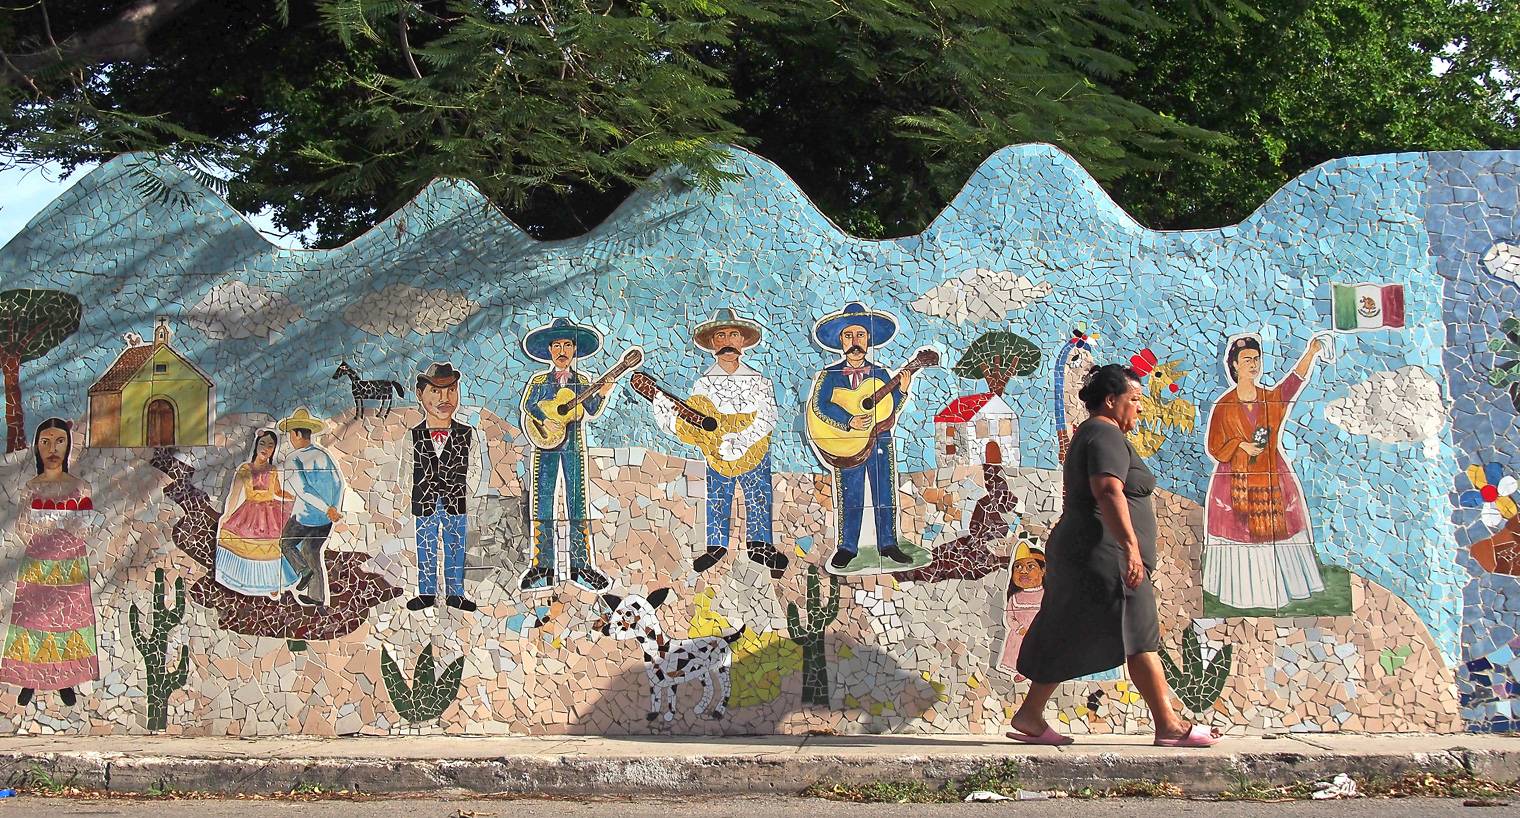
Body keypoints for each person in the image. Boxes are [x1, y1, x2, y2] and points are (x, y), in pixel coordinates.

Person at [1010, 365, 1221, 747]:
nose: (1140, 408)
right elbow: (1108, 491)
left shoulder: (1093, 434)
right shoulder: (1104, 433)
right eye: (1135, 400)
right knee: (1139, 633)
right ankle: (1169, 725)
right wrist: (1130, 548)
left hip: (1087, 550)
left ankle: (1030, 714)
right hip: (1106, 554)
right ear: (1111, 401)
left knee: (1068, 627)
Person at [649, 308, 788, 576]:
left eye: (733, 335)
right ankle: (716, 545)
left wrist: (743, 440)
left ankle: (760, 544)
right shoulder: (703, 385)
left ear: (742, 341)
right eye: (721, 335)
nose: (727, 341)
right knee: (716, 495)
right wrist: (665, 413)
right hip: (717, 453)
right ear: (713, 343)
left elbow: (768, 416)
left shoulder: (759, 381)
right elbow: (695, 425)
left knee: (758, 493)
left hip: (753, 450)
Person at [1202, 334, 1327, 610]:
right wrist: (1241, 446)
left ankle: (1278, 590)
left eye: (1257, 359)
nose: (1253, 364)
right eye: (1247, 359)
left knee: (1277, 535)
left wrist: (1312, 351)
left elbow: (1292, 385)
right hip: (1236, 482)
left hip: (1270, 476)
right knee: (1239, 535)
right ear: (1234, 365)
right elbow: (1214, 446)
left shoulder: (1270, 401)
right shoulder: (1224, 406)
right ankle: (1243, 593)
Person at [806, 302, 916, 573]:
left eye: (860, 335)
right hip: (846, 442)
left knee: (884, 490)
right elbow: (819, 407)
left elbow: (888, 411)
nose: (855, 342)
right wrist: (848, 420)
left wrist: (901, 392)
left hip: (879, 440)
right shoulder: (829, 375)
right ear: (840, 341)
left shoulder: (880, 374)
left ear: (869, 339)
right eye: (848, 336)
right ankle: (847, 547)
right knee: (850, 493)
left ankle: (888, 544)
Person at [1, 418, 101, 707]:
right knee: (33, 623)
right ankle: (31, 680)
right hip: (37, 565)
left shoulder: (79, 487)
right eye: (45, 441)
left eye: (59, 441)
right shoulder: (31, 487)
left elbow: (86, 525)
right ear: (36, 447)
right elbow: (22, 526)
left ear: (68, 446)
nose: (52, 448)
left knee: (68, 622)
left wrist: (62, 526)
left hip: (69, 566)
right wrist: (45, 525)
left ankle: (65, 680)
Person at [519, 318, 613, 593]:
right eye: (557, 345)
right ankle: (542, 567)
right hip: (545, 445)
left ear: (575, 350)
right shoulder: (539, 381)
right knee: (543, 501)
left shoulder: (582, 381)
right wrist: (547, 418)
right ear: (549, 350)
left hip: (572, 447)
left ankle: (581, 567)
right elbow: (529, 406)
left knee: (577, 501)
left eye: (568, 345)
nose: (562, 350)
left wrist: (603, 392)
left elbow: (593, 408)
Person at [402, 362, 488, 612]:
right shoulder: (414, 435)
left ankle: (455, 593)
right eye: (436, 391)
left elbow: (476, 468)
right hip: (425, 499)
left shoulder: (467, 433)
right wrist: (409, 494)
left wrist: (468, 493)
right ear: (420, 395)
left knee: (455, 543)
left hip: (456, 499)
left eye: (451, 390)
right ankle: (426, 592)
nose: (444, 398)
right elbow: (406, 470)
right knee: (425, 543)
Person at [214, 429, 299, 596]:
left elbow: (277, 491)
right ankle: (247, 582)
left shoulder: (273, 469)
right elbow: (235, 494)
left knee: (275, 546)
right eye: (262, 443)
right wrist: (227, 514)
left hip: (270, 512)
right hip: (250, 511)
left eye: (270, 445)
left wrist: (293, 497)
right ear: (256, 446)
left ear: (274, 449)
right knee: (245, 543)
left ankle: (274, 583)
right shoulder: (245, 468)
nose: (266, 448)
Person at [276, 407, 344, 607]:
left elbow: (303, 490)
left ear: (297, 434)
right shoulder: (323, 455)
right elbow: (339, 482)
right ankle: (317, 597)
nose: (291, 438)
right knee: (311, 552)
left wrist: (326, 508)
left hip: (306, 517)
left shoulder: (293, 459)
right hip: (326, 519)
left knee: (286, 543)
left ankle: (303, 571)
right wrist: (333, 509)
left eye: (291, 434)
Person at [996, 537, 1046, 680]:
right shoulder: (1016, 597)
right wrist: (1018, 627)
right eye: (1018, 567)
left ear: (1043, 571)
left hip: (1040, 634)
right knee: (1020, 653)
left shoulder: (1047, 595)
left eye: (1030, 567)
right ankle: (1021, 671)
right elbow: (1010, 616)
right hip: (1020, 635)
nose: (1023, 571)